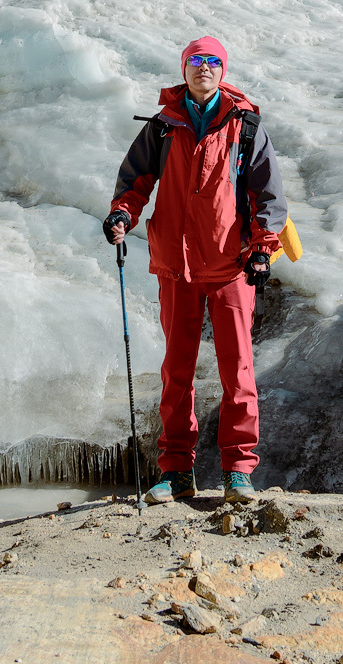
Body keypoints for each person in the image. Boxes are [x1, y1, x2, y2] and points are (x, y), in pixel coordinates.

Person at [103, 36, 287, 505]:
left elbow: (268, 194)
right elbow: (136, 179)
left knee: (238, 371)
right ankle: (176, 472)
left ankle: (238, 472)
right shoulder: (164, 126)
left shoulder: (245, 127)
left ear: (222, 70)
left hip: (229, 266)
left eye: (212, 61)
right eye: (195, 61)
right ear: (184, 69)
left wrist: (263, 249)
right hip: (176, 265)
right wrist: (123, 213)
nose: (203, 68)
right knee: (176, 371)